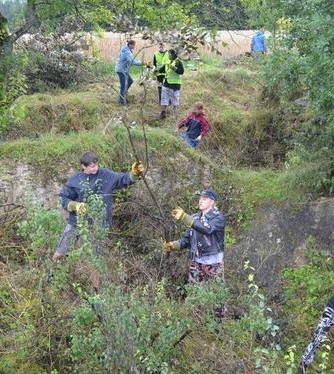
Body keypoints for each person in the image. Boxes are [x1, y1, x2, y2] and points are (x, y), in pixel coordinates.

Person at [52, 151, 145, 290]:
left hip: (97, 226)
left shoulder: (105, 175)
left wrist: (135, 173)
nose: (95, 168)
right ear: (83, 166)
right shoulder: (75, 180)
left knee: (94, 259)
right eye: (91, 166)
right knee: (59, 254)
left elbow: (123, 179)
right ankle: (55, 279)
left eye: (96, 165)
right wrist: (75, 205)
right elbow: (63, 199)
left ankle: (96, 291)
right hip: (76, 223)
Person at [164, 189, 226, 315]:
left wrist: (184, 217)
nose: (200, 201)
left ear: (212, 201)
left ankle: (218, 328)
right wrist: (174, 245)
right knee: (193, 296)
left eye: (204, 198)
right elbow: (187, 239)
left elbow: (207, 229)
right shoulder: (195, 217)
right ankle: (195, 326)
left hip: (213, 264)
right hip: (196, 263)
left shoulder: (218, 217)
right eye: (200, 198)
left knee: (217, 297)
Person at [115, 40, 142, 105]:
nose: (134, 46)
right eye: (134, 45)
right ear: (130, 45)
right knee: (123, 86)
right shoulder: (127, 52)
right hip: (121, 70)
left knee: (130, 81)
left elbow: (131, 60)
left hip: (123, 69)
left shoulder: (126, 49)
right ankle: (121, 102)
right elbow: (132, 62)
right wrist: (141, 63)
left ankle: (124, 93)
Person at [159, 49, 184, 119]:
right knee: (164, 99)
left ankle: (174, 115)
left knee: (175, 100)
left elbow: (181, 72)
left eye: (169, 54)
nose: (167, 56)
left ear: (173, 55)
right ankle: (163, 113)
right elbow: (161, 70)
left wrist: (174, 68)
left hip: (175, 85)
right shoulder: (168, 62)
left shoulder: (178, 62)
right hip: (166, 83)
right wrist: (155, 70)